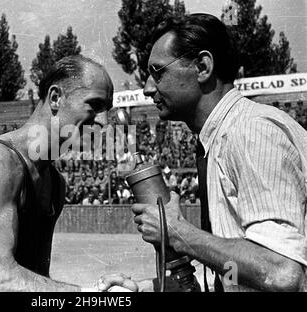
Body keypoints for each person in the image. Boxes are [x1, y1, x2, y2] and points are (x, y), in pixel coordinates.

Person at [99, 14, 307, 292]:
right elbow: (234, 276)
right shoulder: (220, 137)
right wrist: (144, 287)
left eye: (158, 72)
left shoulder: (250, 132)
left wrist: (178, 233)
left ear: (202, 67)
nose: (148, 88)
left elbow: (282, 272)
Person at [0, 55, 114, 292]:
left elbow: (34, 281)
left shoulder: (55, 184)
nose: (104, 122)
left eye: (107, 110)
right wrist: (88, 296)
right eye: (94, 105)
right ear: (55, 98)